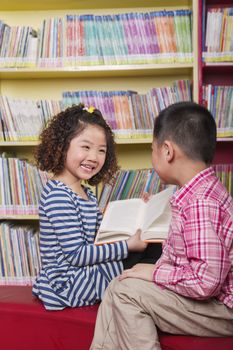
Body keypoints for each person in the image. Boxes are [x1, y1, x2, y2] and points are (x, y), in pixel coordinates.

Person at [90, 101, 233, 349]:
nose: (152, 155)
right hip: (212, 301)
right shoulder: (196, 191)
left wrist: (154, 273)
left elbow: (206, 283)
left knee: (126, 293)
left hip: (221, 309)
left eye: (152, 149)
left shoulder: (200, 203)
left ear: (167, 151)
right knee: (118, 284)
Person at [32, 103, 147, 310]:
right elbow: (77, 255)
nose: (94, 157)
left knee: (148, 249)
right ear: (62, 146)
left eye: (101, 151)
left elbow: (100, 237)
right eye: (85, 147)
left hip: (84, 272)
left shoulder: (86, 193)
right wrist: (127, 246)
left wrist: (141, 212)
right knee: (144, 257)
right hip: (69, 283)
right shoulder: (59, 195)